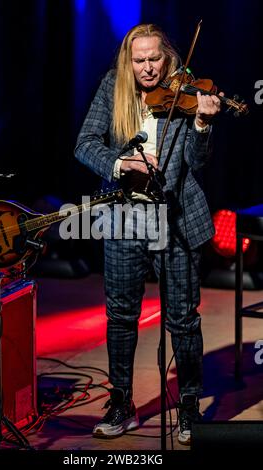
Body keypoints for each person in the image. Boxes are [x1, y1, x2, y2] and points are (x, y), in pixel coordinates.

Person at [74, 23, 221, 445]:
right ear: (128, 60)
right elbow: (84, 143)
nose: (147, 68)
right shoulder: (113, 87)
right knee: (120, 316)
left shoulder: (187, 89)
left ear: (168, 55)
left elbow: (198, 160)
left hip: (174, 215)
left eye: (154, 58)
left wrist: (203, 126)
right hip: (125, 216)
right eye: (138, 60)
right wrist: (123, 164)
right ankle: (121, 401)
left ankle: (189, 403)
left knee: (183, 319)